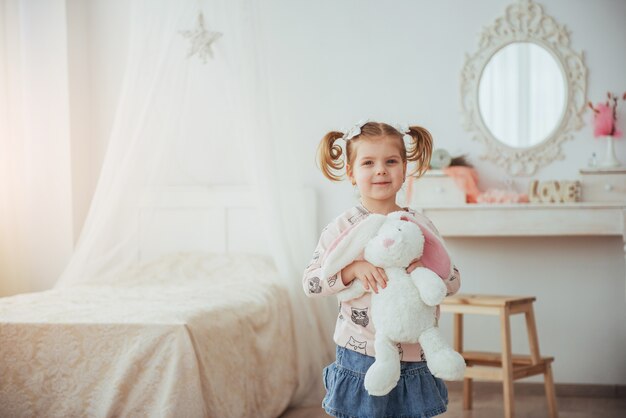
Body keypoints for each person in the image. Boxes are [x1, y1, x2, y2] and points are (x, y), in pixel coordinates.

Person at [302, 120, 461, 418]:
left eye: (390, 161)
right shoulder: (342, 227)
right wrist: (352, 269)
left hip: (415, 354)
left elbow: (453, 281)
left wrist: (424, 268)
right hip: (362, 353)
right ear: (351, 172)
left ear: (404, 169)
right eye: (368, 163)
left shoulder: (418, 225)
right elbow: (311, 283)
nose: (380, 170)